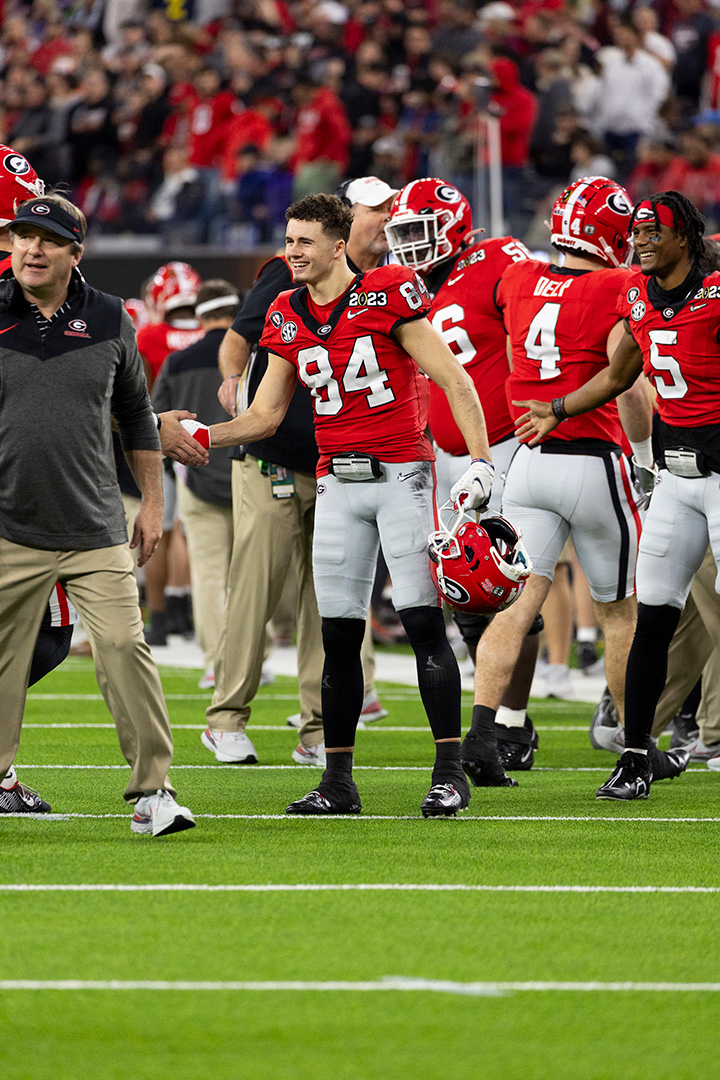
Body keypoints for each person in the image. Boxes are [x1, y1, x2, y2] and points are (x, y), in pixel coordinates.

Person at [196, 192, 498, 817]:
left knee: (420, 626)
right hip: (337, 482)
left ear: (339, 245)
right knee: (337, 636)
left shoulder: (388, 290)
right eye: (288, 240)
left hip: (401, 476)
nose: (291, 252)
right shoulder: (285, 309)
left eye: (304, 241)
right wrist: (200, 436)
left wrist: (481, 462)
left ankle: (449, 773)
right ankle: (337, 781)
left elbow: (455, 379)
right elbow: (264, 414)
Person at [459, 176, 681, 792]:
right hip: (593, 456)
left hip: (528, 461)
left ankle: (483, 730)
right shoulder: (620, 285)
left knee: (516, 601)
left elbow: (510, 344)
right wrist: (644, 456)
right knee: (619, 613)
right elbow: (628, 383)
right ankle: (636, 748)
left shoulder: (518, 277)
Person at [0, 193, 195, 836]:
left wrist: (153, 506)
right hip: (7, 525)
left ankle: (154, 792)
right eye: (23, 236)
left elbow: (137, 413)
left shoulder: (111, 317)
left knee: (122, 646)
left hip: (93, 524)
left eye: (47, 240)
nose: (31, 248)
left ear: (74, 254)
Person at [514, 188, 716, 800]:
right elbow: (617, 375)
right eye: (639, 231)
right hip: (677, 481)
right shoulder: (635, 292)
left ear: (686, 236)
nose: (643, 239)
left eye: (656, 230)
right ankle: (635, 756)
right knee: (653, 617)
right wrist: (556, 407)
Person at [203, 177, 399, 770]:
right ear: (349, 223)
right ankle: (227, 717)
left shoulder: (383, 288)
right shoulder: (284, 278)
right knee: (256, 589)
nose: (387, 219)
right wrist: (235, 385)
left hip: (342, 464)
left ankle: (318, 727)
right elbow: (238, 341)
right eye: (377, 210)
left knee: (331, 601)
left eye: (389, 208)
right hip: (275, 459)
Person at [385, 176, 544, 770]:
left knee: (506, 585)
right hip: (446, 456)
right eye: (402, 235)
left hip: (503, 445)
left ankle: (512, 722)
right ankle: (503, 715)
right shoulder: (405, 287)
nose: (411, 247)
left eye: (418, 233)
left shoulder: (497, 258)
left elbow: (538, 320)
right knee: (465, 589)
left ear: (454, 225)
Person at [152, 280, 239, 689]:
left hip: (198, 477)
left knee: (209, 575)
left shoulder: (178, 360)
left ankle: (217, 662)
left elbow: (155, 422)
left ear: (199, 314)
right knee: (251, 576)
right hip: (248, 473)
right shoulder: (255, 356)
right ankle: (252, 657)